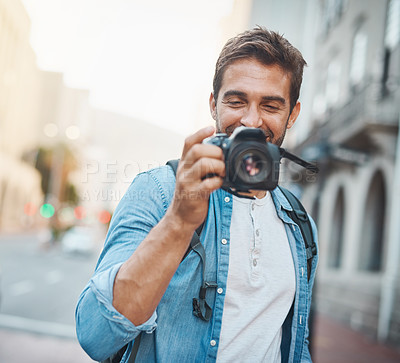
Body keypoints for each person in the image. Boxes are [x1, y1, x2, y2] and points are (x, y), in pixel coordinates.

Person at [76, 26, 318, 363]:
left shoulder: (299, 222)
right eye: (236, 101)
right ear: (213, 105)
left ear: (292, 114)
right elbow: (95, 335)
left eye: (271, 106)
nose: (250, 120)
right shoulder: (159, 191)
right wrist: (178, 221)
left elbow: (294, 342)